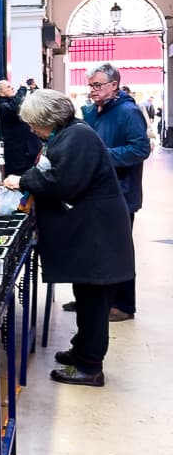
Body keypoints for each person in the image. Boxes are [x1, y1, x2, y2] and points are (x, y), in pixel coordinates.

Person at [3, 90, 133, 386]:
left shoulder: (79, 137)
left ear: (48, 119)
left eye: (34, 124)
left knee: (95, 302)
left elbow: (63, 183)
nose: (32, 130)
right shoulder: (69, 134)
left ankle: (90, 367)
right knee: (86, 297)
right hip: (90, 232)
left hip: (98, 236)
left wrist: (22, 181)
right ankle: (80, 351)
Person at [60, 64, 149, 321]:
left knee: (118, 252)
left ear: (114, 85)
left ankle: (123, 305)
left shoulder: (128, 112)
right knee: (94, 248)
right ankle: (92, 300)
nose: (93, 90)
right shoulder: (94, 111)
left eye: (97, 85)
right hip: (95, 191)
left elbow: (140, 149)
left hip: (121, 193)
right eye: (90, 86)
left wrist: (103, 156)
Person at [0, 78, 42, 177]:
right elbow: (14, 108)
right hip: (19, 155)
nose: (12, 88)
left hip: (29, 150)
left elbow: (38, 102)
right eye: (8, 87)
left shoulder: (14, 102)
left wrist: (34, 89)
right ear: (1, 93)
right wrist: (22, 88)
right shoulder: (2, 106)